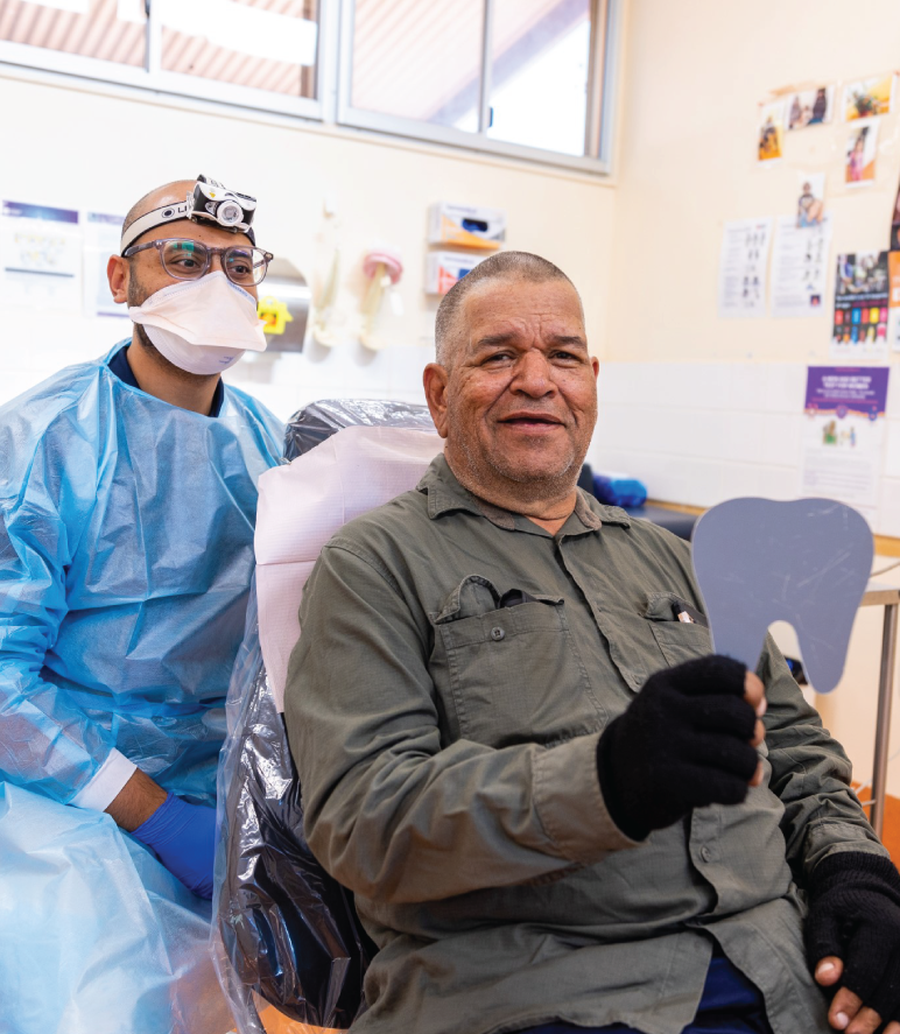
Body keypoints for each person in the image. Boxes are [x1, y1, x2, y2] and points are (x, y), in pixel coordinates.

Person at [285, 251, 900, 1034]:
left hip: (781, 971)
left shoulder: (680, 561)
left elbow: (798, 751)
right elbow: (362, 820)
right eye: (499, 355)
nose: (538, 380)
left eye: (563, 356)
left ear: (592, 384)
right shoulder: (371, 566)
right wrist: (607, 778)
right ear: (440, 396)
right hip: (540, 991)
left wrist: (857, 872)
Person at [0, 175, 284, 1034]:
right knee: (99, 1009)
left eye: (238, 266)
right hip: (61, 794)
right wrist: (155, 815)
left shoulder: (268, 441)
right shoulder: (43, 440)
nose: (215, 287)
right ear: (121, 282)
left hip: (231, 793)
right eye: (184, 259)